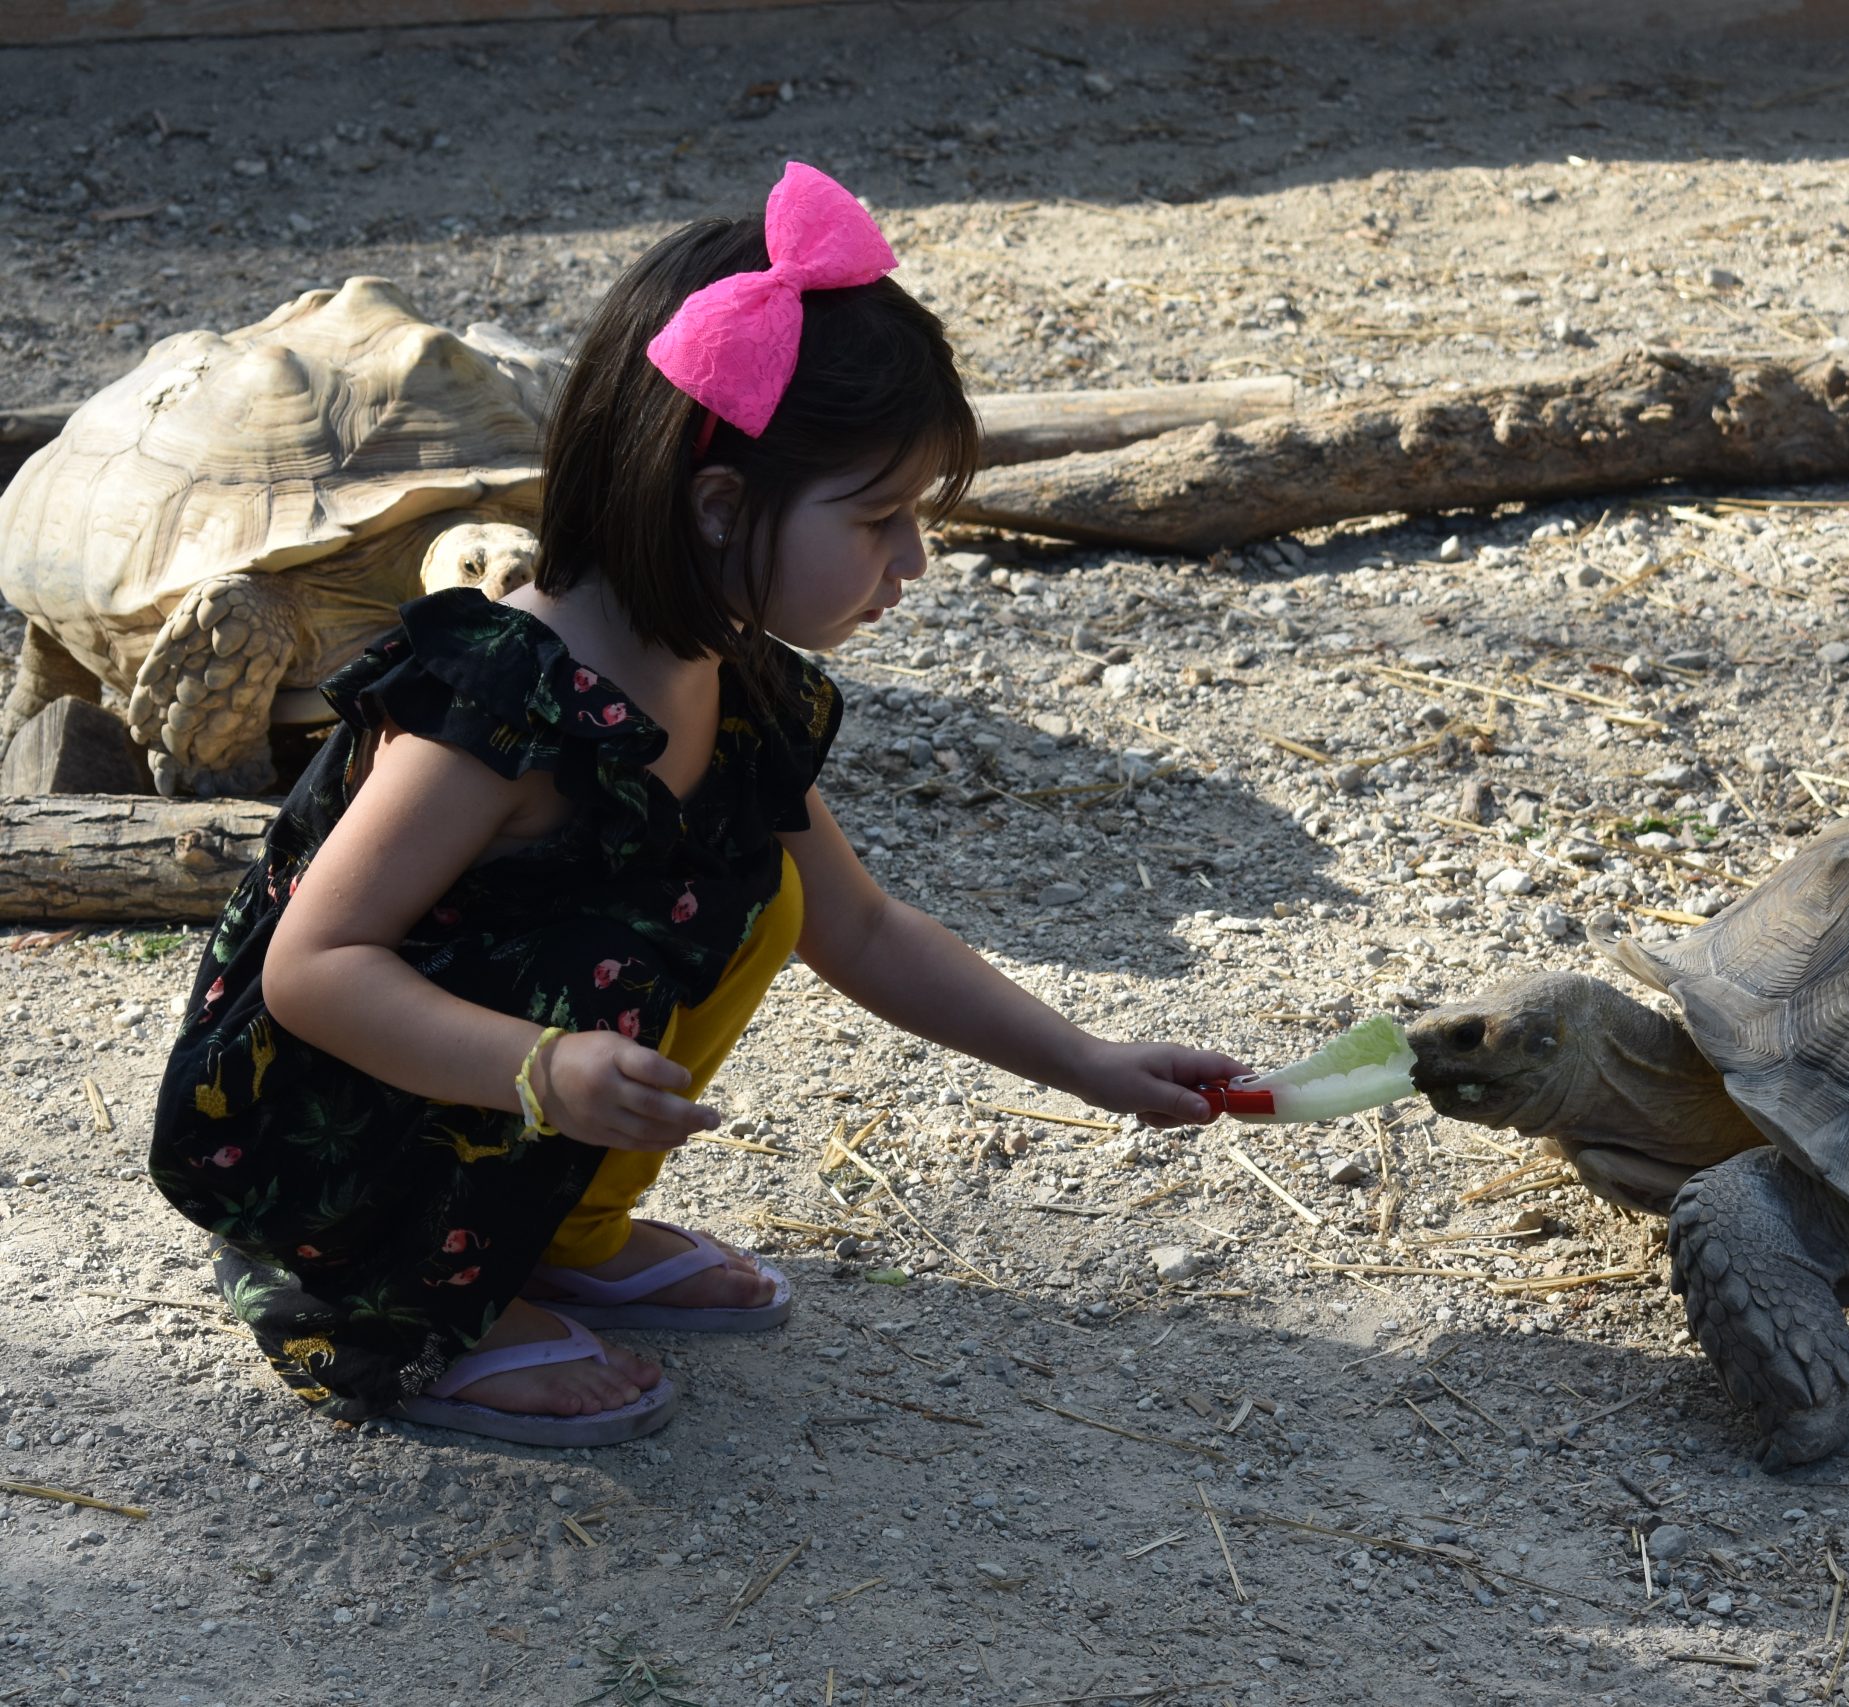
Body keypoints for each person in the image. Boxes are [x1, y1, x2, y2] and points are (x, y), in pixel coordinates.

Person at [149, 162, 1245, 1447]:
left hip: (510, 1098)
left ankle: (552, 1238)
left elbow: (863, 931)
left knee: (757, 894)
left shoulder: (733, 681)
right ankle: (404, 1303)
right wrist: (540, 1068)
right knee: (600, 950)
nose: (913, 562)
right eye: (879, 518)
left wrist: (1084, 1062)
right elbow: (315, 971)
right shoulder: (497, 707)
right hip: (319, 1134)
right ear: (719, 506)